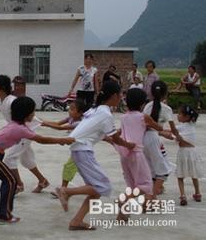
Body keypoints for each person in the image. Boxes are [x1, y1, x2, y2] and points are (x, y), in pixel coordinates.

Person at [0, 96, 75, 224]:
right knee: (11, 180)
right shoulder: (19, 128)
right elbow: (41, 139)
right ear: (26, 114)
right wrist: (62, 140)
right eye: (33, 111)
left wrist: (60, 139)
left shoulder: (17, 125)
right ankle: (4, 215)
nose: (34, 114)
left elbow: (41, 137)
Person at [54, 81, 135, 231]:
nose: (121, 98)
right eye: (120, 94)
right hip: (83, 150)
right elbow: (114, 138)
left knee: (96, 190)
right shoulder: (106, 114)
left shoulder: (96, 109)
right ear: (114, 96)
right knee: (103, 186)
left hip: (79, 148)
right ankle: (66, 191)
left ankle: (76, 221)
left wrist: (115, 136)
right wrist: (128, 145)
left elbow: (99, 131)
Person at [0, 75, 50, 194]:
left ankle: (18, 184)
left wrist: (48, 124)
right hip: (19, 133)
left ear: (2, 88)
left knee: (9, 158)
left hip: (23, 133)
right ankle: (42, 180)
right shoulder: (1, 100)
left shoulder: (11, 101)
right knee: (26, 159)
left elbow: (28, 114)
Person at [111, 88, 162, 221]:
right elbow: (158, 127)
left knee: (132, 184)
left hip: (124, 155)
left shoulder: (123, 117)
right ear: (142, 104)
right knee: (146, 185)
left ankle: (123, 215)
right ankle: (124, 200)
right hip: (137, 153)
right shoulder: (143, 116)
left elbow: (121, 131)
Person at [41, 99, 86, 192]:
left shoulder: (79, 123)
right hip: (76, 148)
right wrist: (42, 122)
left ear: (80, 113)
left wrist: (46, 124)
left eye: (73, 109)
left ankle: (63, 190)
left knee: (68, 167)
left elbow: (60, 128)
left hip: (82, 150)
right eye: (70, 108)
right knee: (84, 170)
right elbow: (57, 123)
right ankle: (94, 187)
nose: (69, 111)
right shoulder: (70, 118)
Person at [143, 81, 176, 196]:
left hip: (144, 139)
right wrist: (175, 135)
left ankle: (154, 193)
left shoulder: (147, 106)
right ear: (165, 94)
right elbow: (173, 129)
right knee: (163, 170)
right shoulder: (167, 109)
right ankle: (151, 198)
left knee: (151, 168)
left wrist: (162, 132)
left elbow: (146, 125)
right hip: (154, 139)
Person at [172, 105, 203, 206]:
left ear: (186, 117)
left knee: (180, 175)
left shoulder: (181, 127)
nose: (178, 115)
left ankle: (183, 196)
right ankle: (198, 193)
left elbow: (172, 133)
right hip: (192, 152)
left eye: (180, 114)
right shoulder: (192, 124)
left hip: (183, 152)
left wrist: (160, 132)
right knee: (194, 174)